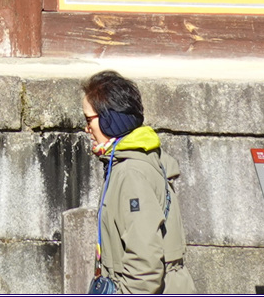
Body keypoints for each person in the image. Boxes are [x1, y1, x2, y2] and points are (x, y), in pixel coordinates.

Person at [80, 70, 193, 294]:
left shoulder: (131, 172)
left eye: (88, 119)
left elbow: (145, 264)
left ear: (110, 120)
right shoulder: (134, 161)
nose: (87, 129)